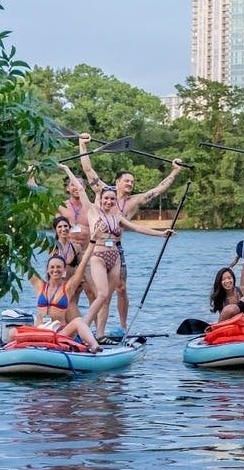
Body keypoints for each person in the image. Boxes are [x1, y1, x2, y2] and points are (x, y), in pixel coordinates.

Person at [79, 133, 185, 333]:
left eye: (132, 182)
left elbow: (158, 190)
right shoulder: (102, 192)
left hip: (116, 250)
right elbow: (87, 169)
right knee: (99, 294)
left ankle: (122, 327)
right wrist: (82, 145)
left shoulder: (133, 201)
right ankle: (93, 330)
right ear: (117, 181)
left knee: (120, 289)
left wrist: (174, 171)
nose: (130, 184)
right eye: (127, 181)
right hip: (96, 247)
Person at [82, 185, 178, 337]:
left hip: (115, 256)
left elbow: (138, 228)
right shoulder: (93, 212)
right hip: (98, 256)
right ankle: (84, 327)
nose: (109, 201)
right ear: (100, 200)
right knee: (101, 294)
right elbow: (82, 190)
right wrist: (66, 169)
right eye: (106, 198)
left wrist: (161, 234)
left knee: (107, 298)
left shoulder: (118, 218)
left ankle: (100, 335)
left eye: (112, 199)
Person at [24, 221, 103, 351]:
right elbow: (26, 265)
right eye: (52, 267)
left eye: (59, 267)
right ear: (48, 269)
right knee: (12, 331)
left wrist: (93, 241)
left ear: (63, 269)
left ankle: (94, 346)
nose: (56, 270)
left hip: (58, 333)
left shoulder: (67, 288)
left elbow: (82, 264)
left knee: (78, 321)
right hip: (40, 332)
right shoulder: (40, 286)